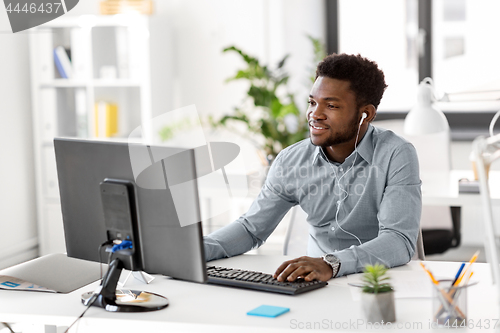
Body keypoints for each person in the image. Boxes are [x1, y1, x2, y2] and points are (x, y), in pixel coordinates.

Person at [204, 53, 422, 282]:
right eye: (312, 102)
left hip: (379, 282)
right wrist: (197, 250)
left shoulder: (396, 154)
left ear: (365, 114)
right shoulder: (291, 160)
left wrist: (332, 263)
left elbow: (398, 240)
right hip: (315, 282)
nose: (314, 115)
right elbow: (251, 229)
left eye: (331, 105)